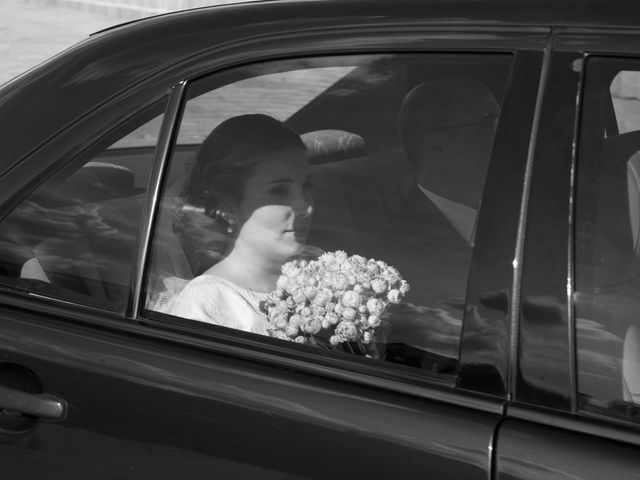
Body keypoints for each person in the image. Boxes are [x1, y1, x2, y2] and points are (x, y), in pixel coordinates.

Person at [163, 114, 314, 335]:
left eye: (307, 185)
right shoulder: (207, 305)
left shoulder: (316, 270)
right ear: (228, 207)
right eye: (279, 191)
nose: (305, 207)